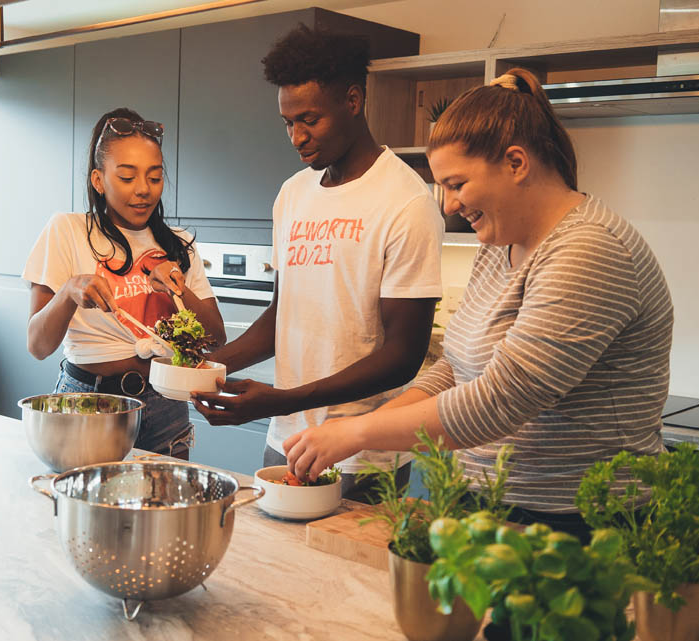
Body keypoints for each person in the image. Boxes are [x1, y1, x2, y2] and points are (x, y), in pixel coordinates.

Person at [283, 68, 674, 540]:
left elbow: (501, 400)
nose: (447, 206)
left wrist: (355, 434)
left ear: (516, 163)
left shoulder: (587, 251)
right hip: (491, 505)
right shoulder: (501, 243)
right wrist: (364, 424)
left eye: (457, 184)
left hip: (579, 521)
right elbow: (457, 366)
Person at [191, 25, 444, 496]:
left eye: (309, 120)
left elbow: (403, 356)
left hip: (363, 453)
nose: (296, 137)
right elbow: (282, 314)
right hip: (284, 439)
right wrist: (209, 366)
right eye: (287, 123)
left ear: (352, 101)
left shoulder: (406, 201)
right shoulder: (293, 194)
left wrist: (281, 399)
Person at [23, 107, 225, 460]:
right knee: (90, 510)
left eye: (155, 177)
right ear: (99, 180)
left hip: (166, 404)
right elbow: (38, 345)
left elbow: (216, 338)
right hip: (91, 402)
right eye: (128, 177)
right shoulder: (67, 230)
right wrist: (70, 291)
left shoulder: (177, 243)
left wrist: (178, 288)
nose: (144, 190)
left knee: (163, 513)